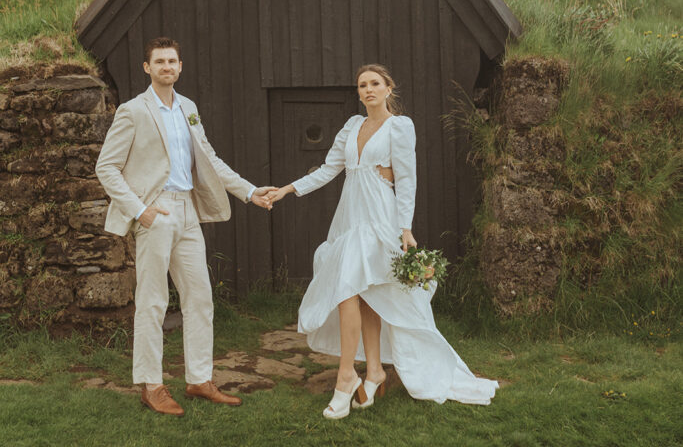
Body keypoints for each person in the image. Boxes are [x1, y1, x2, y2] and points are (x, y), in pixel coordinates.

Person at [271, 64, 499, 418]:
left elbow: (407, 179)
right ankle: (373, 371)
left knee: (356, 292)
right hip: (349, 217)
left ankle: (346, 378)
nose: (368, 90)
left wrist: (405, 228)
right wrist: (289, 188)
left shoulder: (399, 127)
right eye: (362, 85)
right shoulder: (351, 126)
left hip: (381, 217)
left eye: (375, 83)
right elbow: (330, 169)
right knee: (359, 294)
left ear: (388, 88)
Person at [96, 37, 276, 417]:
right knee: (153, 301)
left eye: (172, 61)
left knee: (200, 297)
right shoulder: (132, 111)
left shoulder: (188, 108)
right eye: (159, 61)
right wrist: (139, 209)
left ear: (180, 67)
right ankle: (152, 385)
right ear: (147, 68)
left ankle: (199, 379)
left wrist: (248, 190)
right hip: (155, 211)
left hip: (188, 212)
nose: (166, 67)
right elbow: (106, 167)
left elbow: (209, 158)